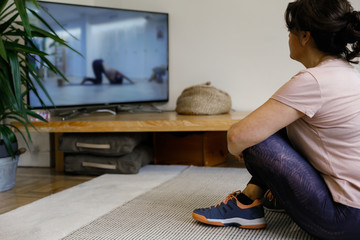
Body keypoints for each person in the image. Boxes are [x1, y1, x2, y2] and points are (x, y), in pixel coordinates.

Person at [192, 0, 360, 239]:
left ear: (304, 37)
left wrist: (247, 146)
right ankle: (249, 200)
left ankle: (246, 204)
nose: (288, 38)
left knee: (256, 139)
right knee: (277, 126)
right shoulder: (346, 73)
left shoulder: (314, 80)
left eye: (290, 31)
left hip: (344, 219)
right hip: (354, 212)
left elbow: (236, 138)